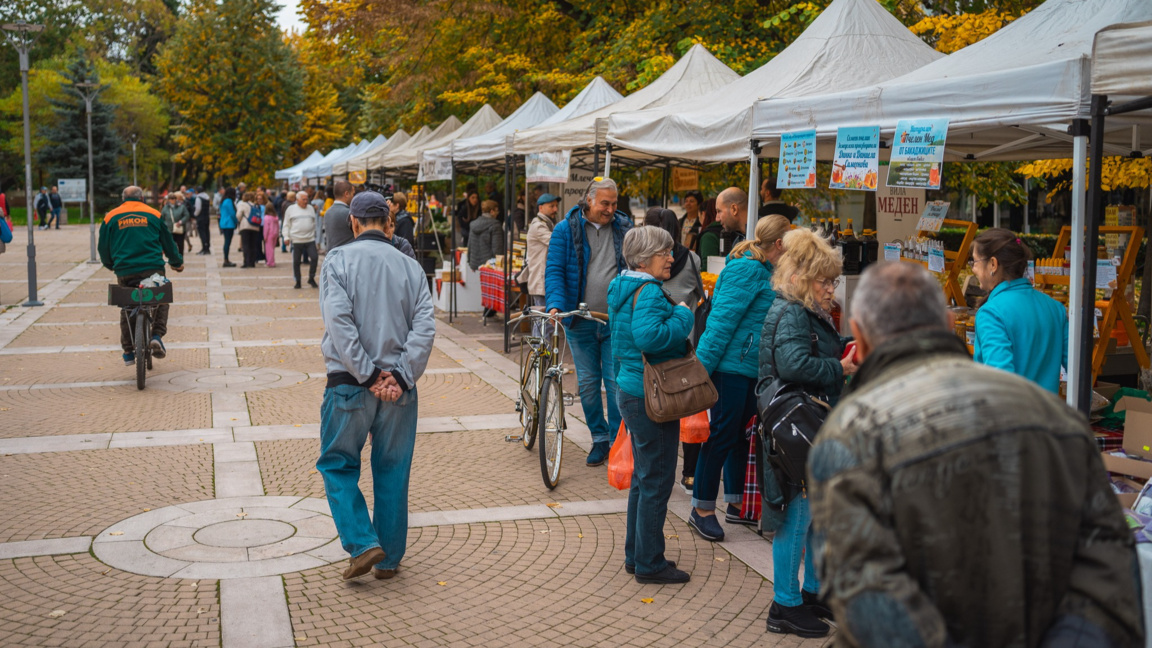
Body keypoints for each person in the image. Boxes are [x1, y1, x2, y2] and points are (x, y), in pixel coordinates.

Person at [808, 262, 1143, 647]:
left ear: (861, 341)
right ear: (949, 325)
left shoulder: (849, 434)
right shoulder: (1054, 417)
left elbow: (874, 611)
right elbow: (1109, 570)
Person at [317, 190, 435, 582]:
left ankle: (363, 542)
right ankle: (389, 558)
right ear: (388, 223)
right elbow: (424, 328)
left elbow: (340, 322)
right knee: (393, 468)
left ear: (352, 223)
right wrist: (399, 375)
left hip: (349, 384)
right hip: (398, 389)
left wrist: (368, 375)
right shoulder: (410, 267)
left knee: (338, 464)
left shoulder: (337, 261)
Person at [758, 227, 856, 639]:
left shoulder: (800, 309)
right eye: (825, 281)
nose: (831, 288)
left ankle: (813, 592)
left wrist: (846, 347)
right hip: (796, 431)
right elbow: (795, 366)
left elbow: (811, 353)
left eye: (833, 280)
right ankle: (785, 604)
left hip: (807, 425)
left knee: (816, 516)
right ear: (800, 277)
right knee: (796, 518)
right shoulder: (792, 312)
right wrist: (842, 368)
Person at [689, 214, 791, 540]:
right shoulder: (746, 268)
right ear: (778, 243)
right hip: (730, 368)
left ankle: (736, 505)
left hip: (751, 369)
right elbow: (719, 323)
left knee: (739, 437)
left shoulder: (767, 270)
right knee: (721, 436)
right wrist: (701, 372)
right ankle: (702, 509)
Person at [607, 225, 694, 585]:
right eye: (665, 252)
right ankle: (650, 563)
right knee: (657, 479)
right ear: (645, 259)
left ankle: (636, 554)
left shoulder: (621, 286)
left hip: (630, 387)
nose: (671, 258)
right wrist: (685, 316)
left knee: (644, 480)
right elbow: (650, 336)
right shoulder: (652, 292)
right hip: (650, 395)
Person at [545, 177, 632, 466]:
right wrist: (556, 304)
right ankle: (599, 439)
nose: (610, 209)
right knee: (590, 383)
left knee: (616, 382)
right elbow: (555, 269)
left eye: (614, 203)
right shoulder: (564, 230)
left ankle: (619, 441)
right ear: (589, 200)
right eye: (604, 203)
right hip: (580, 320)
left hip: (614, 320)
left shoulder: (624, 227)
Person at [971, 228, 1067, 393]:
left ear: (993, 264)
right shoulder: (1055, 308)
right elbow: (1080, 370)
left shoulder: (991, 313)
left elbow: (1001, 384)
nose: (973, 269)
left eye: (975, 262)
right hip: (1049, 415)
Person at [98, 186, 184, 366]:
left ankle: (128, 350)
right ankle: (156, 336)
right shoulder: (154, 214)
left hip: (125, 271)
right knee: (161, 298)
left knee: (127, 305)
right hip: (152, 269)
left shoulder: (110, 216)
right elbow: (167, 242)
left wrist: (112, 265)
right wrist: (176, 262)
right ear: (142, 199)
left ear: (123, 199)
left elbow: (103, 248)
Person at [526, 193, 560, 337]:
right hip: (541, 281)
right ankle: (539, 355)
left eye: (556, 206)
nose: (555, 209)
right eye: (551, 206)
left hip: (545, 280)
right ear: (541, 207)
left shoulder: (547, 224)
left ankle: (541, 354)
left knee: (546, 322)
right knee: (543, 322)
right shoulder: (538, 226)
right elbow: (556, 241)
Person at [698, 187, 748, 261]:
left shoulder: (764, 235)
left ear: (734, 209)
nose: (717, 218)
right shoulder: (738, 240)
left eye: (719, 211)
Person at [284, 190, 319, 289]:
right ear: (297, 200)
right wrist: (286, 237)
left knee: (315, 257)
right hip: (296, 240)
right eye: (303, 199)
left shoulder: (311, 209)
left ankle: (311, 278)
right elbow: (286, 224)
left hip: (310, 239)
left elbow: (314, 222)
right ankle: (298, 281)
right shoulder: (291, 209)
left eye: (307, 199)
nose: (305, 201)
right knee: (296, 261)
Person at [467, 199, 504, 272]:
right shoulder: (495, 225)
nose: (498, 213)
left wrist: (470, 262)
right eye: (497, 211)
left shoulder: (473, 224)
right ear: (492, 211)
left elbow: (470, 245)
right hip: (490, 265)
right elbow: (497, 248)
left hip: (475, 264)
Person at [324, 181, 355, 251]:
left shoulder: (328, 212)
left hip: (332, 255)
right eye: (353, 194)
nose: (353, 197)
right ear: (346, 194)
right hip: (346, 256)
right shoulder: (349, 213)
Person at [237, 191, 261, 268]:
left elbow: (238, 215)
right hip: (255, 226)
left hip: (245, 226)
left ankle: (246, 261)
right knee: (253, 245)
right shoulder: (256, 205)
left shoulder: (242, 204)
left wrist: (240, 220)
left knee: (246, 244)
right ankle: (252, 262)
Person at [218, 188, 238, 267]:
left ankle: (226, 259)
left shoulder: (223, 200)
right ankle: (226, 260)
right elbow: (232, 213)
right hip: (229, 223)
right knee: (227, 242)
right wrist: (236, 221)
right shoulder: (229, 201)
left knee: (226, 242)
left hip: (223, 223)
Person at [262, 193, 280, 268]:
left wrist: (264, 236)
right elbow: (278, 226)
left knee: (269, 249)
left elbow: (266, 228)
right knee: (272, 248)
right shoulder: (275, 217)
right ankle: (272, 261)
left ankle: (270, 262)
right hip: (275, 233)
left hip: (269, 234)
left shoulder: (267, 217)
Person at [196, 187, 214, 255]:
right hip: (206, 217)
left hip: (201, 217)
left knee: (202, 233)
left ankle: (204, 248)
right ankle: (207, 247)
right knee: (207, 232)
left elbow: (198, 209)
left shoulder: (198, 198)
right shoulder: (207, 197)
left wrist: (195, 215)